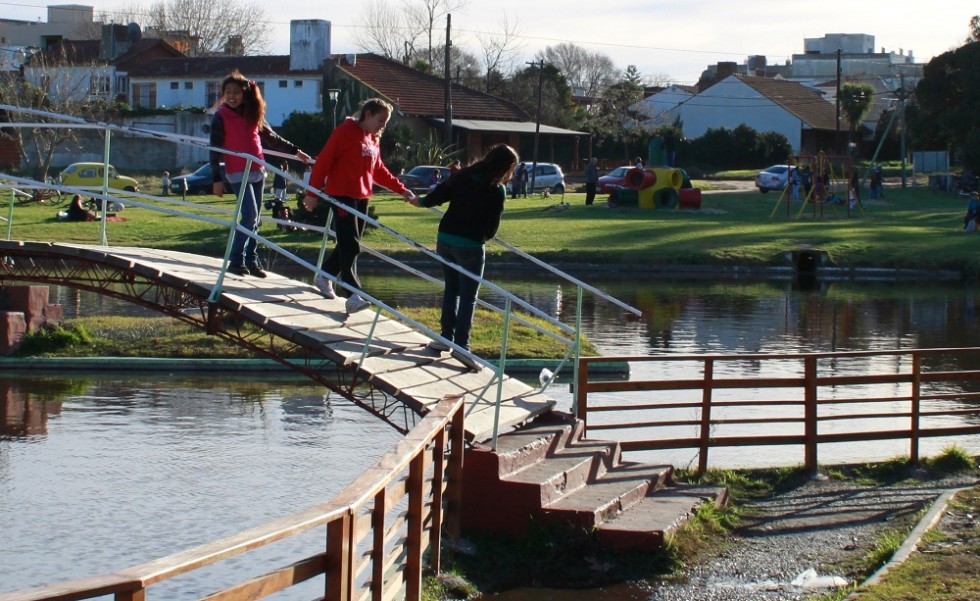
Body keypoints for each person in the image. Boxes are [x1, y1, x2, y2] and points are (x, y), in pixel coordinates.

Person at [408, 144, 519, 371]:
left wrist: (418, 201)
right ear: (506, 168)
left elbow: (437, 195)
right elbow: (491, 227)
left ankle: (444, 338)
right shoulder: (496, 190)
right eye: (512, 169)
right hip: (469, 245)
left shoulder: (464, 176)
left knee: (451, 289)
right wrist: (482, 237)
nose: (512, 174)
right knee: (469, 296)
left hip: (445, 238)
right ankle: (461, 346)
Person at [303, 97, 416, 313]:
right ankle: (353, 294)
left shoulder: (373, 139)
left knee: (349, 243)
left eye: (385, 122)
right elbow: (323, 162)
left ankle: (324, 275)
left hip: (361, 197)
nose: (383, 126)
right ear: (368, 115)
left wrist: (402, 189)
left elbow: (379, 170)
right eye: (381, 121)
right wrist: (312, 193)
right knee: (351, 244)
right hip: (342, 195)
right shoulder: (344, 132)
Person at [209, 70, 310, 278]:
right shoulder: (221, 116)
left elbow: (271, 138)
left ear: (245, 94)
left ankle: (251, 261)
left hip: (257, 170)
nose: (231, 96)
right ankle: (236, 260)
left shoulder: (252, 113)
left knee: (255, 220)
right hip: (237, 172)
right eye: (227, 92)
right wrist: (216, 179)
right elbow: (215, 148)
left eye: (236, 92)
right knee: (250, 216)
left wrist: (295, 151)